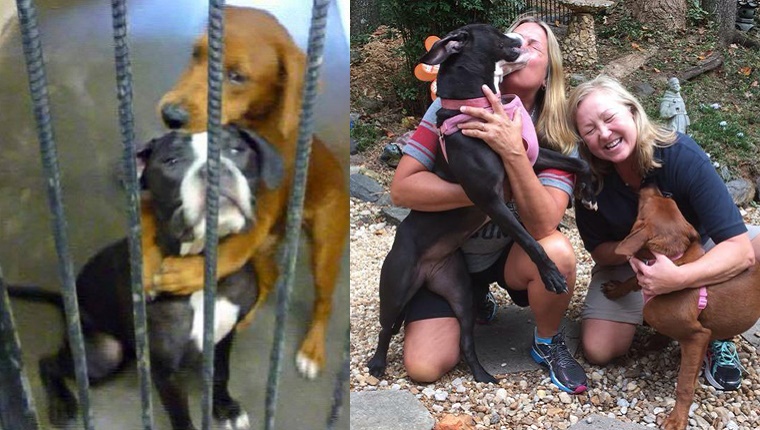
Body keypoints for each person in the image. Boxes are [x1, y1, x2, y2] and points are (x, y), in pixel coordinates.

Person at [390, 15, 588, 393]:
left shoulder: (557, 132)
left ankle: (547, 342)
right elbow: (402, 190)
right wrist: (482, 192)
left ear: (548, 75)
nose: (518, 44)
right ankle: (472, 296)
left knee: (558, 252)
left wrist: (514, 153)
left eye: (533, 45)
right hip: (449, 255)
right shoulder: (450, 107)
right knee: (424, 366)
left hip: (509, 256)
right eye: (513, 37)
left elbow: (545, 221)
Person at [569, 75, 760, 391]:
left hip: (695, 248)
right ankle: (666, 315)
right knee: (600, 349)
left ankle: (716, 332)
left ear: (632, 111)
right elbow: (599, 250)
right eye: (590, 130)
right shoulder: (590, 179)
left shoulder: (680, 155)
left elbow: (739, 249)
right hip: (630, 262)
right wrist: (633, 251)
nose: (604, 133)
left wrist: (679, 279)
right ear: (583, 139)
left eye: (610, 118)